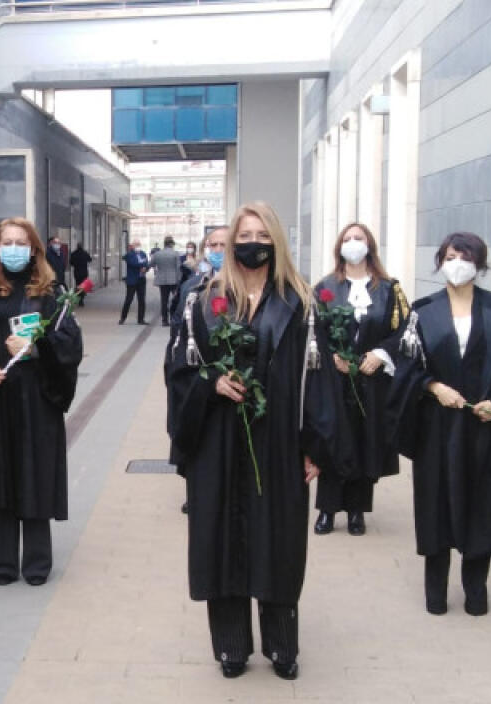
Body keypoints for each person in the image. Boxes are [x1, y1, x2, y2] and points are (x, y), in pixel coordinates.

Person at [166, 202, 344, 681]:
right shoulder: (201, 300)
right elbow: (178, 370)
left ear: (277, 241)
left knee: (278, 540)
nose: (252, 243)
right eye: (244, 234)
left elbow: (320, 378)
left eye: (263, 235)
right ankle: (231, 646)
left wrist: (316, 446)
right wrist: (211, 385)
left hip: (278, 440)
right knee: (220, 538)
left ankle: (282, 645)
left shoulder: (300, 303)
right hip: (217, 441)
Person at [389, 232, 491, 617]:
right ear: (440, 261)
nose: (458, 263)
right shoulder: (423, 313)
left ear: (480, 264)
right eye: (451, 255)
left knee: (480, 507)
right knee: (436, 505)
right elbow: (406, 370)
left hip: (481, 429)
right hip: (436, 428)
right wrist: (434, 387)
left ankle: (476, 592)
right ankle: (434, 594)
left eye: (466, 256)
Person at [0, 217, 82, 587]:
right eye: (6, 242)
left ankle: (38, 561)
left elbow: (70, 343)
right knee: (0, 472)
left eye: (20, 242)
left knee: (35, 472)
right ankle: (3, 562)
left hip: (37, 397)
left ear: (34, 248)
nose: (13, 249)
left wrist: (37, 347)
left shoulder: (51, 291)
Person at [312, 223, 407, 536]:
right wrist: (332, 357)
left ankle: (357, 511)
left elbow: (404, 332)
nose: (353, 243)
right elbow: (315, 332)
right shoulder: (325, 287)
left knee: (365, 441)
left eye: (359, 238)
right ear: (339, 247)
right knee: (334, 438)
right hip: (335, 380)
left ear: (370, 245)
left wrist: (380, 354)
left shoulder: (390, 289)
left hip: (371, 380)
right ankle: (327, 509)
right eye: (348, 239)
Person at [165, 226, 227, 515]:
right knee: (191, 430)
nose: (217, 251)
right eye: (212, 245)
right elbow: (178, 327)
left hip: (227, 378)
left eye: (224, 245)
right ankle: (194, 490)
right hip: (193, 372)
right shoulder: (192, 287)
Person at [150, 236, 184, 327]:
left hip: (162, 281)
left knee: (164, 301)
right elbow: (178, 267)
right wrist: (179, 279)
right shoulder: (175, 254)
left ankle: (164, 320)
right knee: (176, 299)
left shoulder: (157, 254)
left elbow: (151, 264)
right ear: (172, 244)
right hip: (173, 280)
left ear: (164, 244)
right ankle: (174, 318)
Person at [118, 239, 149, 325]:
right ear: (132, 246)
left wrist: (145, 268)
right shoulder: (129, 255)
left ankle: (141, 319)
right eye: (136, 245)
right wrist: (142, 265)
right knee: (129, 299)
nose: (138, 246)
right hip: (132, 280)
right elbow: (133, 263)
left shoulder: (143, 253)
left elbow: (147, 263)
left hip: (141, 279)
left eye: (139, 244)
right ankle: (123, 318)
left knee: (142, 300)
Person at [69, 242, 93, 307]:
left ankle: (78, 299)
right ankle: (81, 300)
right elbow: (90, 260)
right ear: (82, 246)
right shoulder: (85, 253)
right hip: (84, 272)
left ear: (77, 246)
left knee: (78, 285)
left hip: (77, 272)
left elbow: (71, 263)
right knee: (83, 286)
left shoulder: (73, 254)